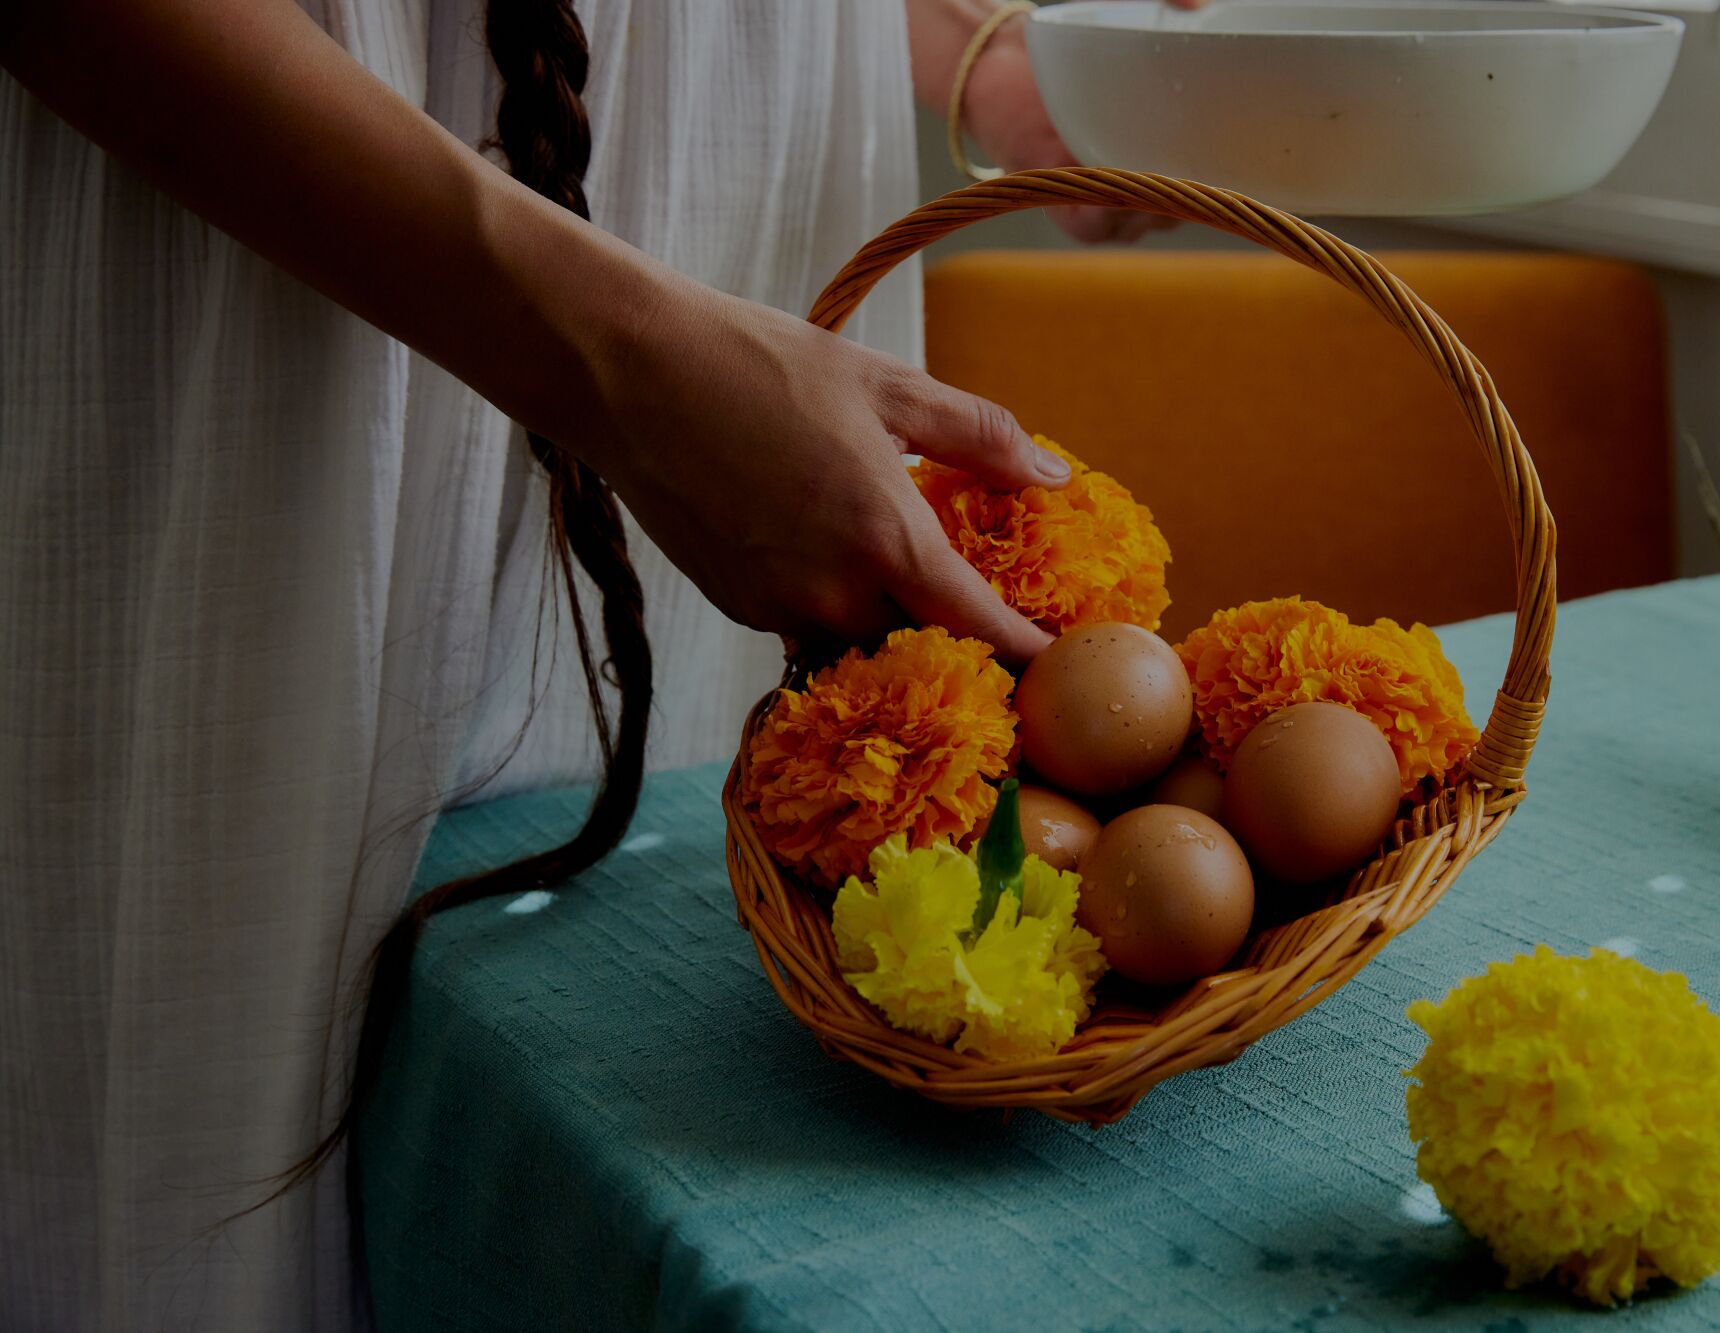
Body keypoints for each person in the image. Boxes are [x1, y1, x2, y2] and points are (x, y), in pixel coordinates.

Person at [0, 1, 1201, 1327]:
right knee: (213, 1156)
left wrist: (978, 52)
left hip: (732, 276)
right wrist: (625, 361)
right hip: (281, 298)